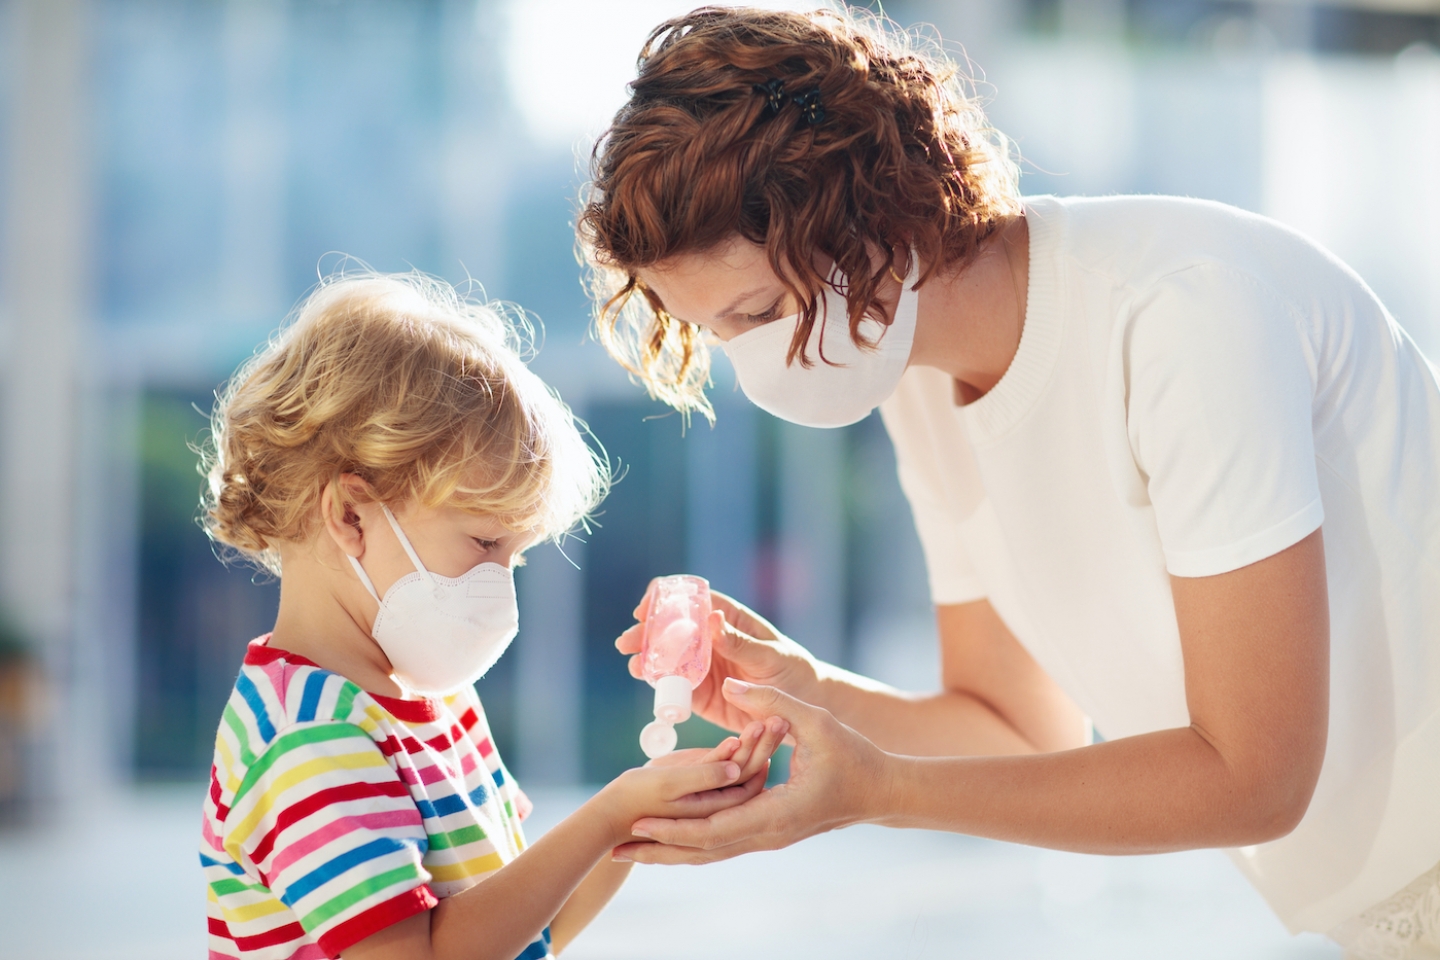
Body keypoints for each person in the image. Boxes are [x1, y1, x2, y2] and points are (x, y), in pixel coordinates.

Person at [576, 7, 1440, 958]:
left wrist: (881, 794)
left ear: (871, 213)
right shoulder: (916, 382)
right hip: (1369, 909)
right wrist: (806, 693)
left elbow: (1256, 777)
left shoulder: (1182, 315)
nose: (754, 365)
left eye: (760, 312)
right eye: (718, 335)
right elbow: (1018, 730)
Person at [196, 273, 788, 960]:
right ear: (350, 515)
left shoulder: (436, 698)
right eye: (484, 543)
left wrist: (639, 818)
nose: (501, 584)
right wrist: (608, 815)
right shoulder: (306, 739)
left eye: (517, 554)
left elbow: (528, 934)